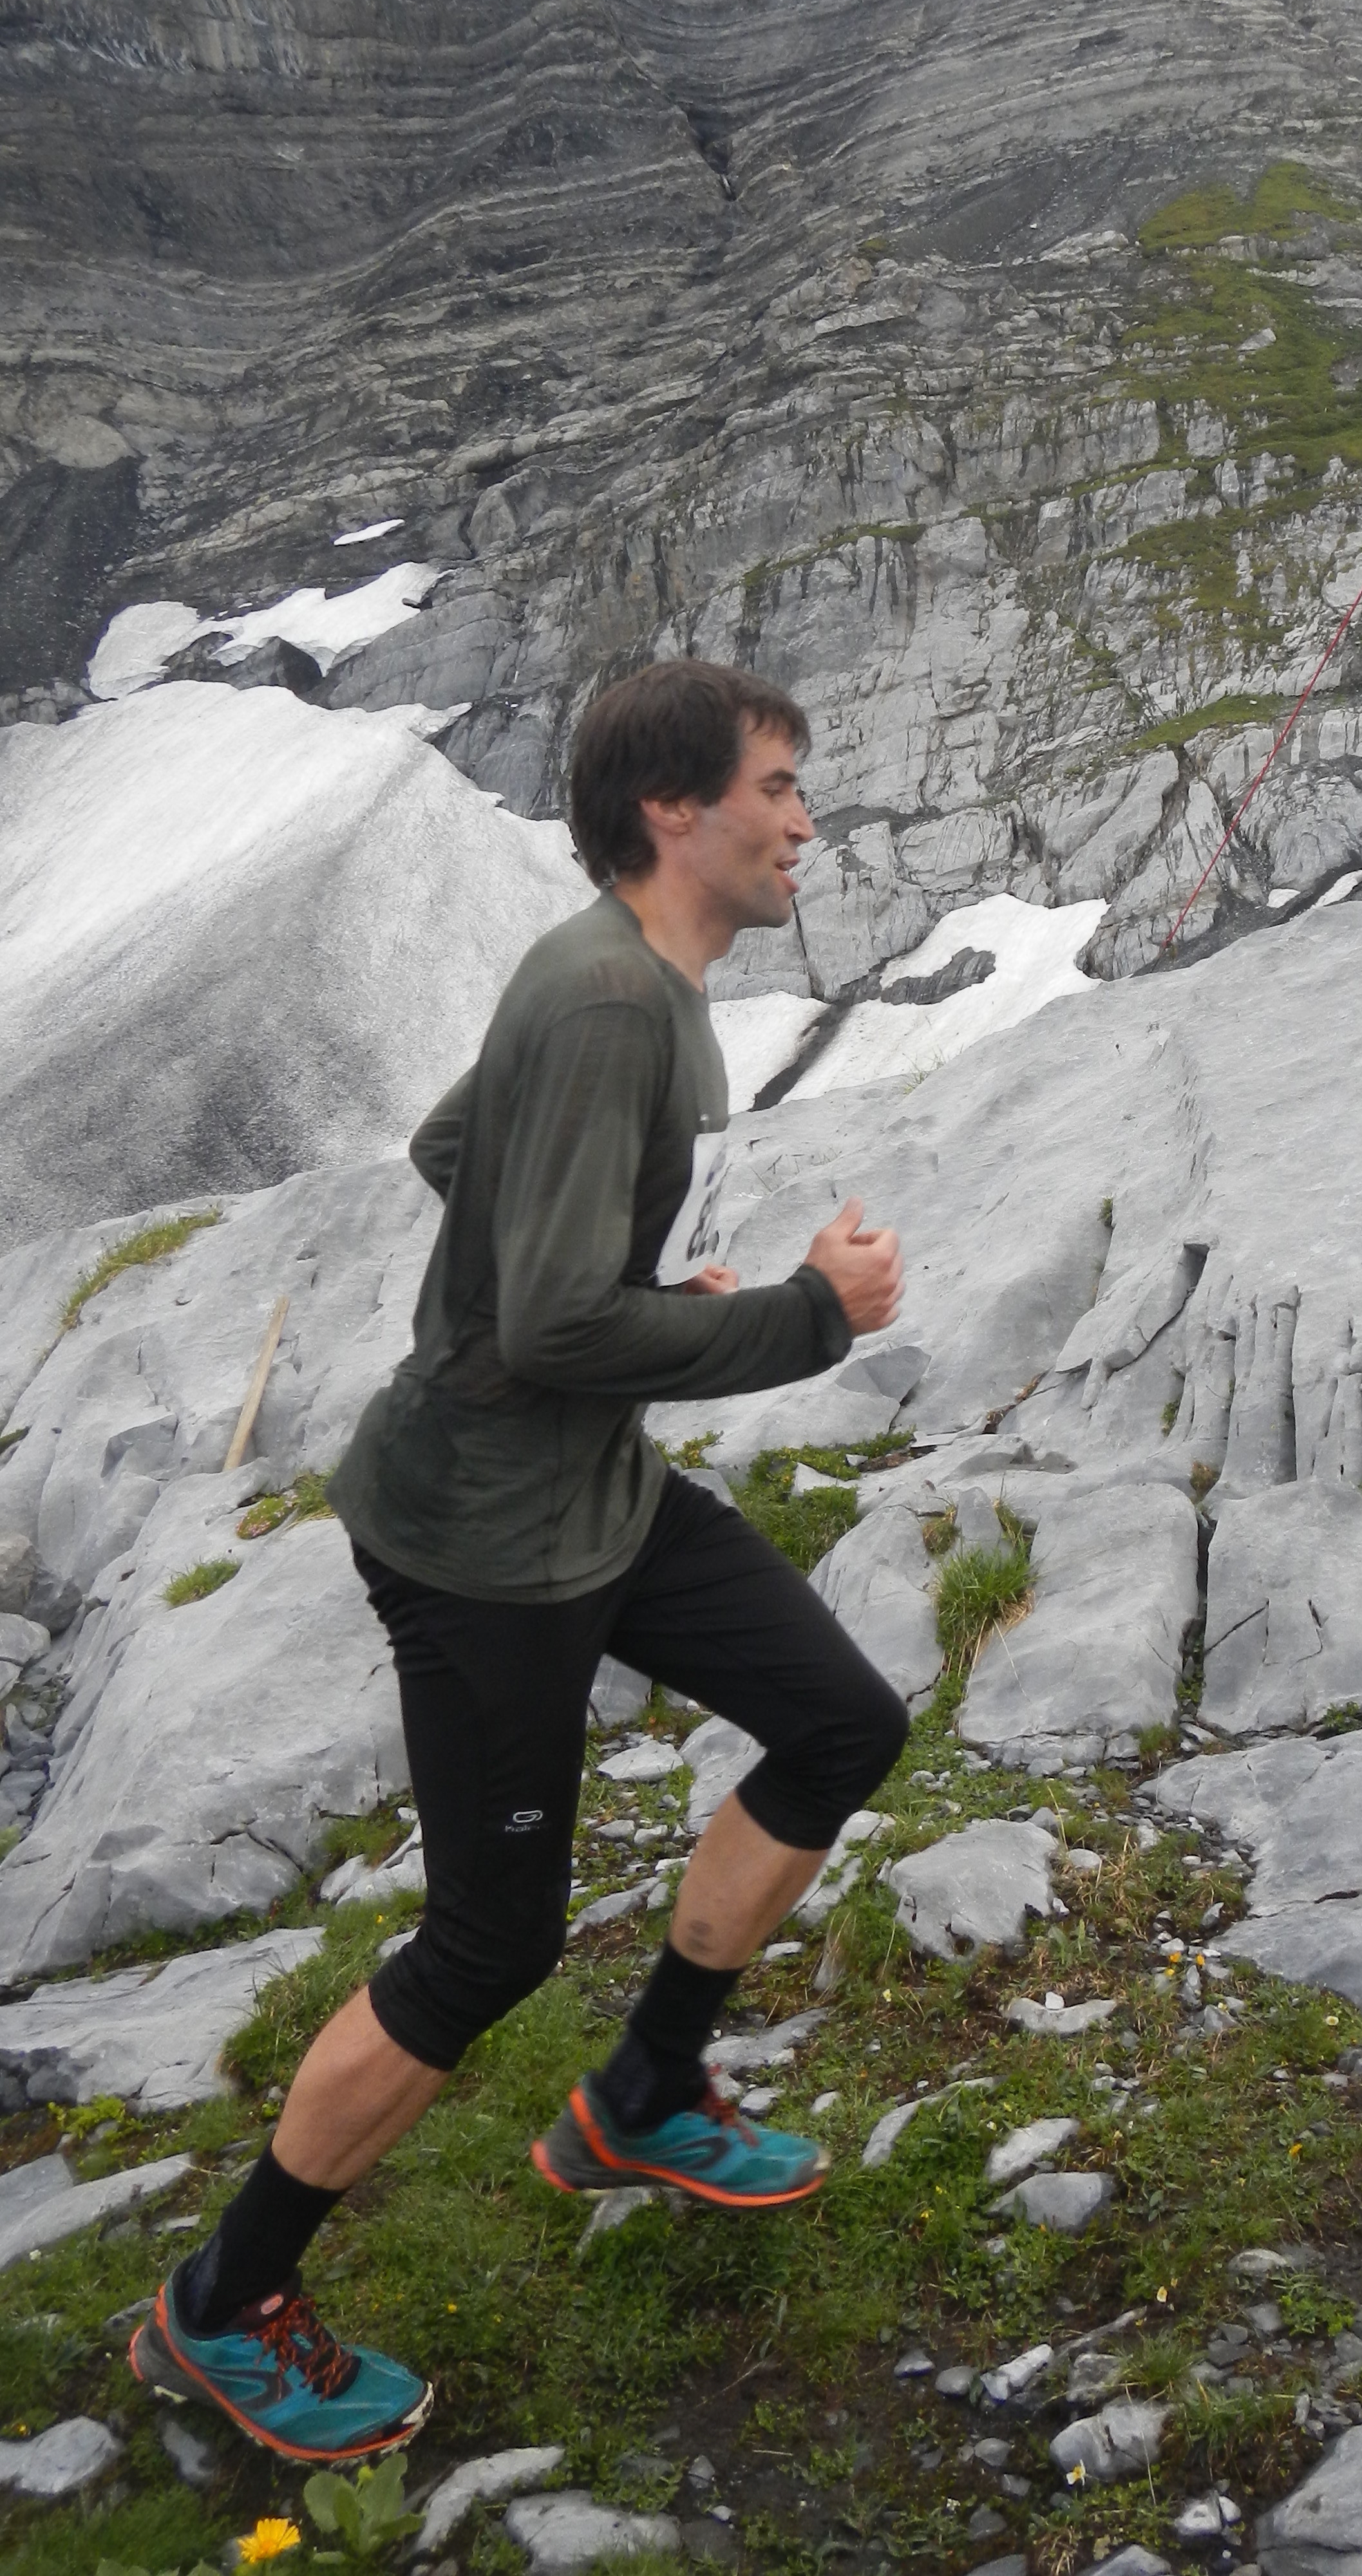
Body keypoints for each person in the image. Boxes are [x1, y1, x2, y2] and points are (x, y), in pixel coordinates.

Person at [131, 661, 911, 2463]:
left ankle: (645, 2089)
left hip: (590, 1494)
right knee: (487, 1943)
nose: (803, 822)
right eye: (777, 788)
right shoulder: (609, 1005)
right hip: (485, 1539)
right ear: (671, 810)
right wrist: (806, 1314)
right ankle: (220, 2303)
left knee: (839, 1723)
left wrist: (621, 1292)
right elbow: (555, 1328)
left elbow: (449, 1148)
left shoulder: (622, 977)